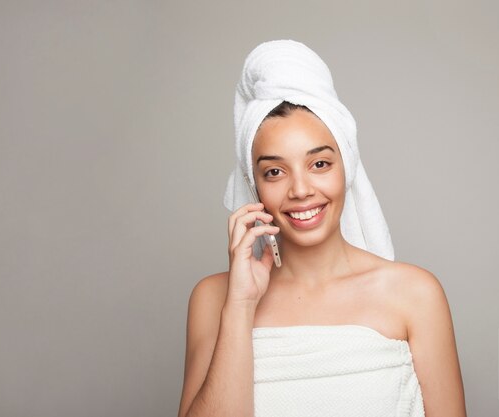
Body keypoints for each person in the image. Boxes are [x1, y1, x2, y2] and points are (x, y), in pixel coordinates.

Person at [177, 40, 466, 417]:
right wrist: (241, 306)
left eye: (319, 165)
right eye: (275, 172)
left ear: (348, 168)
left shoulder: (414, 294)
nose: (300, 190)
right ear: (254, 184)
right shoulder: (214, 299)